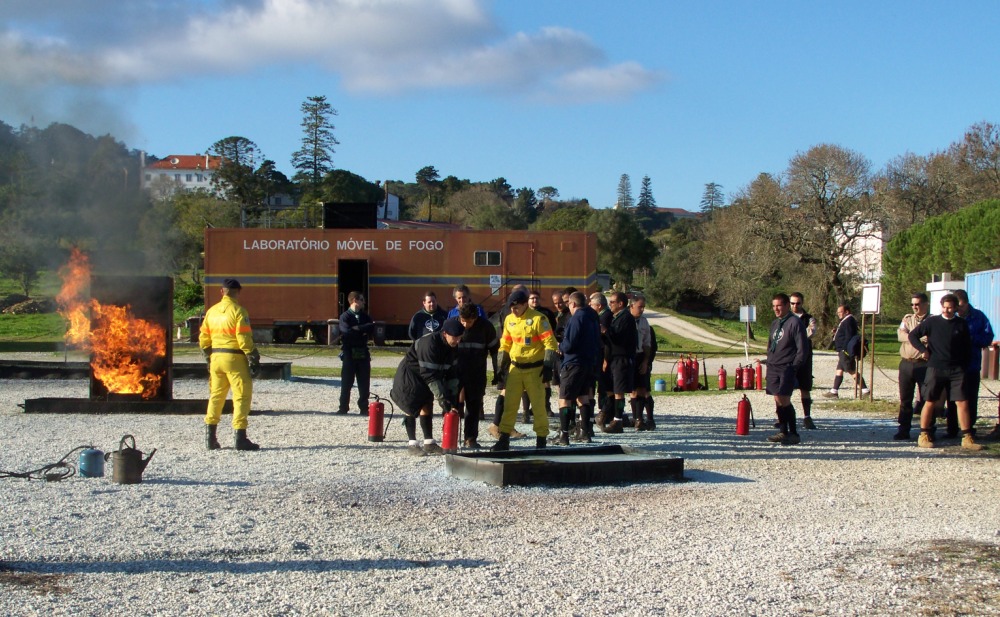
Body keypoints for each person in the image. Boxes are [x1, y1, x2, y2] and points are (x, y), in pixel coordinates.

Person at [909, 293, 982, 450]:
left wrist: (964, 364)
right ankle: (924, 434)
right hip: (936, 367)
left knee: (962, 402)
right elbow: (913, 335)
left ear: (956, 308)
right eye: (944, 307)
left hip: (957, 369)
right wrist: (923, 350)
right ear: (941, 307)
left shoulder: (961, 324)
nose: (947, 310)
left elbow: (967, 346)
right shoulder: (932, 322)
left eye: (950, 307)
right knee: (930, 401)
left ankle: (967, 437)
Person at [199, 278, 262, 451]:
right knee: (241, 395)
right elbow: (243, 338)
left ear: (222, 291)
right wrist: (253, 356)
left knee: (216, 396)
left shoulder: (211, 312)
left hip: (216, 358)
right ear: (238, 292)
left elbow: (203, 339)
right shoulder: (239, 311)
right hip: (234, 358)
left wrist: (208, 357)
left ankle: (210, 438)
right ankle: (240, 437)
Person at [493, 290, 559, 451]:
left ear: (524, 304)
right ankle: (504, 438)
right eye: (511, 307)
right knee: (510, 405)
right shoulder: (509, 319)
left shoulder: (538, 319)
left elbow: (551, 344)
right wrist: (500, 367)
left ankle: (541, 439)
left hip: (534, 369)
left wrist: (548, 366)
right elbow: (505, 344)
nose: (513, 311)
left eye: (516, 307)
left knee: (538, 406)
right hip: (515, 368)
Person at [390, 317, 464, 456]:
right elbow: (430, 375)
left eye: (460, 337)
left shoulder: (453, 346)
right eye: (455, 337)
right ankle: (412, 444)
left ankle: (429, 443)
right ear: (445, 333)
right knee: (411, 405)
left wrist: (452, 399)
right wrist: (443, 399)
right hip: (411, 375)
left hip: (428, 375)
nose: (458, 341)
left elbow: (452, 374)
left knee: (427, 405)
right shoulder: (429, 344)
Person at [553, 291, 601, 445]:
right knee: (583, 398)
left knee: (564, 400)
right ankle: (585, 433)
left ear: (573, 304)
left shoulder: (576, 318)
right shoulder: (593, 317)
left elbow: (570, 343)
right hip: (588, 363)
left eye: (569, 304)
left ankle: (564, 435)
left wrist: (560, 346)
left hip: (573, 363)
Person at [948, 289, 995, 438]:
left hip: (971, 364)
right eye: (956, 306)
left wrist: (971, 340)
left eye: (960, 305)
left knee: (970, 397)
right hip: (953, 364)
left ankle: (969, 429)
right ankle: (952, 428)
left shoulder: (979, 317)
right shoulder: (950, 317)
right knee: (952, 398)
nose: (958, 309)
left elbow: (988, 336)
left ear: (966, 303)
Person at [486, 285, 529, 442]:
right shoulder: (509, 312)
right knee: (506, 392)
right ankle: (496, 425)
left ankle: (506, 425)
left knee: (512, 393)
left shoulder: (509, 310)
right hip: (508, 358)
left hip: (510, 357)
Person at [765, 293, 809, 445]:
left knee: (784, 398)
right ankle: (782, 431)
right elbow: (770, 344)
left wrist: (794, 366)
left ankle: (793, 433)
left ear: (785, 306)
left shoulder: (795, 323)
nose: (776, 309)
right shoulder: (775, 323)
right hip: (773, 366)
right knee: (777, 398)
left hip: (786, 366)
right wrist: (768, 360)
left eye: (779, 306)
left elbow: (802, 349)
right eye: (774, 306)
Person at [456, 302, 499, 449]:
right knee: (452, 406)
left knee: (473, 407)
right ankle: (450, 438)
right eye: (463, 320)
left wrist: (497, 372)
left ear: (476, 317)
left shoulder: (486, 327)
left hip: (476, 374)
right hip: (455, 373)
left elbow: (495, 352)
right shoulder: (452, 325)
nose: (465, 324)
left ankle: (470, 438)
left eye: (469, 321)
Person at [598, 291, 637, 433]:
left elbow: (619, 338)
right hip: (613, 358)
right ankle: (609, 414)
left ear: (620, 304)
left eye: (612, 302)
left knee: (619, 391)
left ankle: (618, 420)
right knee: (611, 390)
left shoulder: (626, 318)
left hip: (622, 358)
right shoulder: (616, 317)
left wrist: (605, 331)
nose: (610, 305)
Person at [894, 293, 930, 440]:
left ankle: (927, 430)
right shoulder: (907, 319)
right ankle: (903, 429)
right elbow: (900, 335)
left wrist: (911, 336)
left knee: (927, 399)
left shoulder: (932, 320)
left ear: (926, 304)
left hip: (924, 364)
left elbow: (932, 338)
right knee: (905, 399)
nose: (915, 307)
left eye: (918, 304)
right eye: (913, 304)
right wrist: (918, 338)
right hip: (907, 363)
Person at [337, 291, 374, 415]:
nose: (364, 302)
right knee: (347, 382)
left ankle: (364, 408)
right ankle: (343, 408)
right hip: (349, 352)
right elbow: (345, 331)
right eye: (362, 300)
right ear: (355, 301)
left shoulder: (365, 316)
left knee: (364, 382)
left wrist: (357, 328)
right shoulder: (345, 316)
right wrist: (361, 331)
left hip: (363, 352)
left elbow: (371, 327)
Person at [822, 303, 868, 398]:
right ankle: (834, 391)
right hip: (842, 350)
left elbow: (849, 336)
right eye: (838, 312)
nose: (839, 314)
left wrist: (844, 348)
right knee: (839, 370)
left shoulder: (849, 321)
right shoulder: (845, 320)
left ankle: (865, 390)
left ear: (846, 312)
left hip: (845, 351)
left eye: (840, 312)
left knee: (851, 370)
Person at [789, 292, 817, 429]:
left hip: (804, 357)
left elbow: (811, 332)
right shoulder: (785, 318)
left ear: (802, 303)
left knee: (805, 387)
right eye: (792, 303)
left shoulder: (809, 318)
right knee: (785, 388)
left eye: (797, 303)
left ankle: (807, 416)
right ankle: (783, 417)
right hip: (789, 357)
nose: (795, 306)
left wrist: (794, 334)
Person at [629, 294, 654, 431]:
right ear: (631, 306)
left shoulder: (644, 322)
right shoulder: (625, 319)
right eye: (640, 307)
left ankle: (646, 419)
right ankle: (636, 418)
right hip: (628, 357)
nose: (642, 309)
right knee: (632, 390)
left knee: (643, 388)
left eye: (644, 307)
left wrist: (646, 361)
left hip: (640, 356)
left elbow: (647, 343)